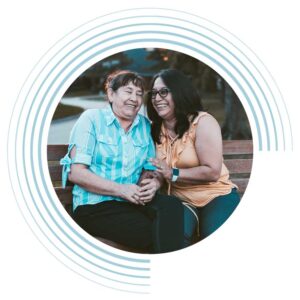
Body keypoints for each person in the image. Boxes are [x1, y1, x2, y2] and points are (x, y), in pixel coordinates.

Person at [60, 70, 186, 253]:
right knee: (156, 233)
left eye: (139, 94)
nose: (134, 99)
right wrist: (121, 189)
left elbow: (150, 169)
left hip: (131, 201)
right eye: (128, 91)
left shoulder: (144, 125)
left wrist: (152, 183)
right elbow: (76, 172)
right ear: (111, 94)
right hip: (94, 206)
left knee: (172, 206)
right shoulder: (91, 119)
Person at [146, 69, 240, 241]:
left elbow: (212, 172)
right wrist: (154, 182)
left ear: (180, 93)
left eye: (163, 92)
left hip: (215, 196)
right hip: (180, 201)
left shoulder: (203, 122)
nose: (157, 98)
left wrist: (173, 173)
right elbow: (160, 170)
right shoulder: (154, 128)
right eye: (154, 93)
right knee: (173, 238)